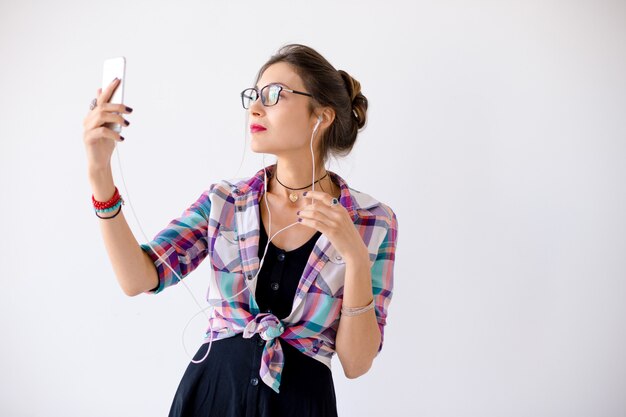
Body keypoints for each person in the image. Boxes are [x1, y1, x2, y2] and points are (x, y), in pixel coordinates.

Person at [82, 43, 399, 417]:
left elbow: (356, 363)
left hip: (301, 406)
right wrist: (99, 173)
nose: (255, 107)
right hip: (212, 397)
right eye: (254, 95)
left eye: (274, 94)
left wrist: (355, 257)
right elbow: (139, 277)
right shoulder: (225, 202)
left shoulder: (371, 219)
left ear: (322, 115)